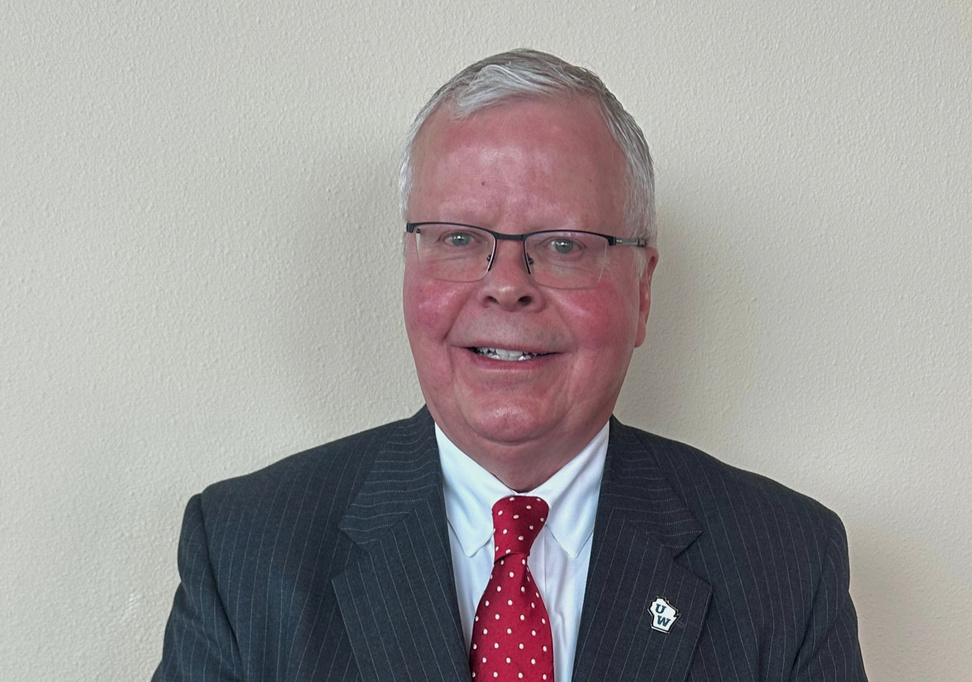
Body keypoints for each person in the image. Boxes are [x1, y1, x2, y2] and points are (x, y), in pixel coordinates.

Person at [153, 49, 867, 681]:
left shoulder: (787, 565)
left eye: (563, 245)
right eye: (460, 238)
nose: (506, 286)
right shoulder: (245, 553)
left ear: (643, 291)